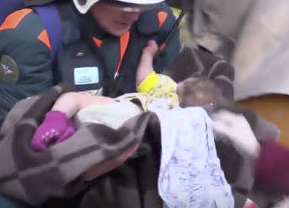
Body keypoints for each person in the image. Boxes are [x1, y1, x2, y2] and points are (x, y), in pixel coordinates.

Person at [0, 0, 181, 208]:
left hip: (128, 162)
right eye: (120, 3)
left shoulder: (157, 23)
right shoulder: (34, 35)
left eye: (141, 4)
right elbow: (10, 146)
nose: (134, 14)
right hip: (51, 169)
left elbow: (177, 104)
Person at [30, 40, 228, 152]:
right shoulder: (187, 133)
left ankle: (54, 123)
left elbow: (144, 75)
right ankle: (69, 138)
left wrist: (148, 54)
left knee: (74, 98)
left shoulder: (166, 88)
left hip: (131, 112)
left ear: (182, 86)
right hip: (137, 137)